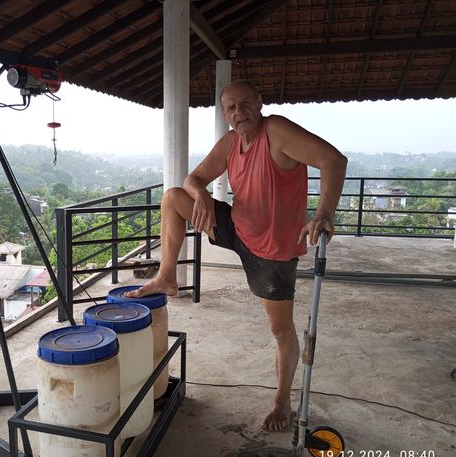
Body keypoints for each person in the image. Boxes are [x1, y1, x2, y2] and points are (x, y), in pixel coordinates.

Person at [126, 79, 347, 432]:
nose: (238, 112)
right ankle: (167, 276)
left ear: (259, 102)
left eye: (244, 103)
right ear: (224, 114)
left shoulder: (275, 131)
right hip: (237, 227)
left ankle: (282, 401)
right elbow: (193, 178)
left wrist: (323, 214)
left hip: (273, 252)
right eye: (230, 107)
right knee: (173, 198)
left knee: (280, 330)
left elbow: (333, 160)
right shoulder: (231, 142)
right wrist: (200, 194)